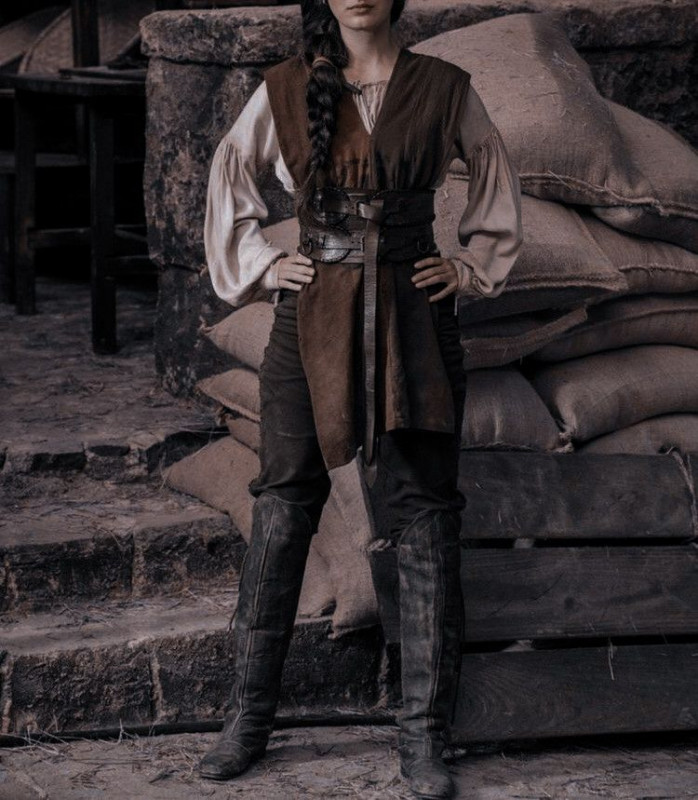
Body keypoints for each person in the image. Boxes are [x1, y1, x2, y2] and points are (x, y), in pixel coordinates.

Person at [199, 1, 522, 797]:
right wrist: (263, 265)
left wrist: (472, 267)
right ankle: (247, 720)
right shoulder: (286, 87)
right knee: (284, 502)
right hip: (309, 313)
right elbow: (231, 167)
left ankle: (423, 737)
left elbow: (493, 172)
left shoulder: (444, 87)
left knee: (425, 513)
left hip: (415, 315)